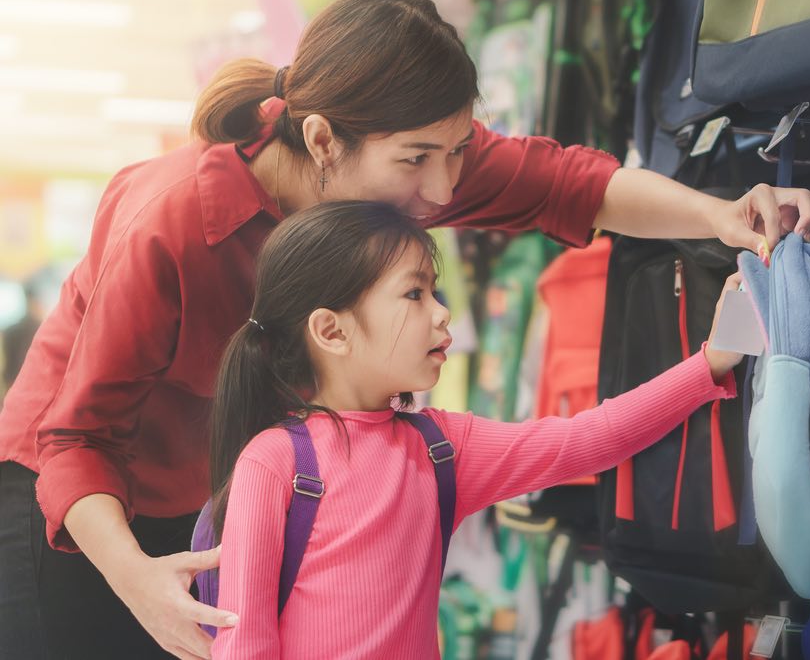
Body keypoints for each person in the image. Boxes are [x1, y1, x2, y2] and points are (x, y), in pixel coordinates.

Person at [0, 0, 810, 658]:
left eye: (457, 150)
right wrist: (138, 579)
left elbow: (574, 186)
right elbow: (75, 439)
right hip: (71, 504)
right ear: (321, 139)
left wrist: (725, 216)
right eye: (422, 159)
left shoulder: (396, 174)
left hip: (206, 490)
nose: (442, 188)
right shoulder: (176, 221)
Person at [209, 200, 744, 658]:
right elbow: (244, 646)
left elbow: (589, 439)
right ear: (332, 330)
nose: (443, 316)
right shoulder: (273, 463)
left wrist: (709, 364)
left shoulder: (440, 448)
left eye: (435, 292)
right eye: (414, 294)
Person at [2, 283, 43, 392]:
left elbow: (8, 364)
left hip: (15, 383)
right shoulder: (41, 328)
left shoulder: (10, 330)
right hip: (34, 383)